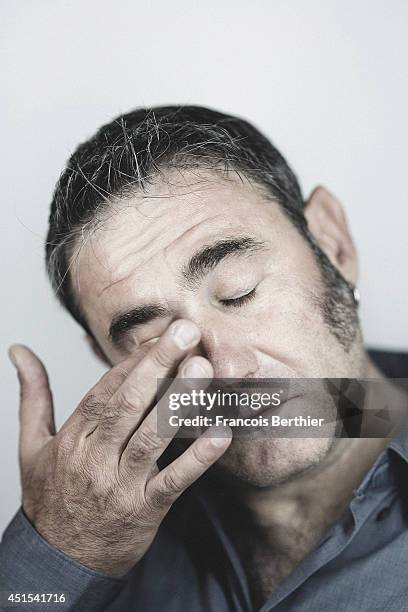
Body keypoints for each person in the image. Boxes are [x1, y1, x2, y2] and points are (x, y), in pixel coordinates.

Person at [1, 106, 408, 612]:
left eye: (240, 292)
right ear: (108, 360)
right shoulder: (99, 538)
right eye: (155, 340)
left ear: (333, 244)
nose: (227, 369)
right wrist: (61, 550)